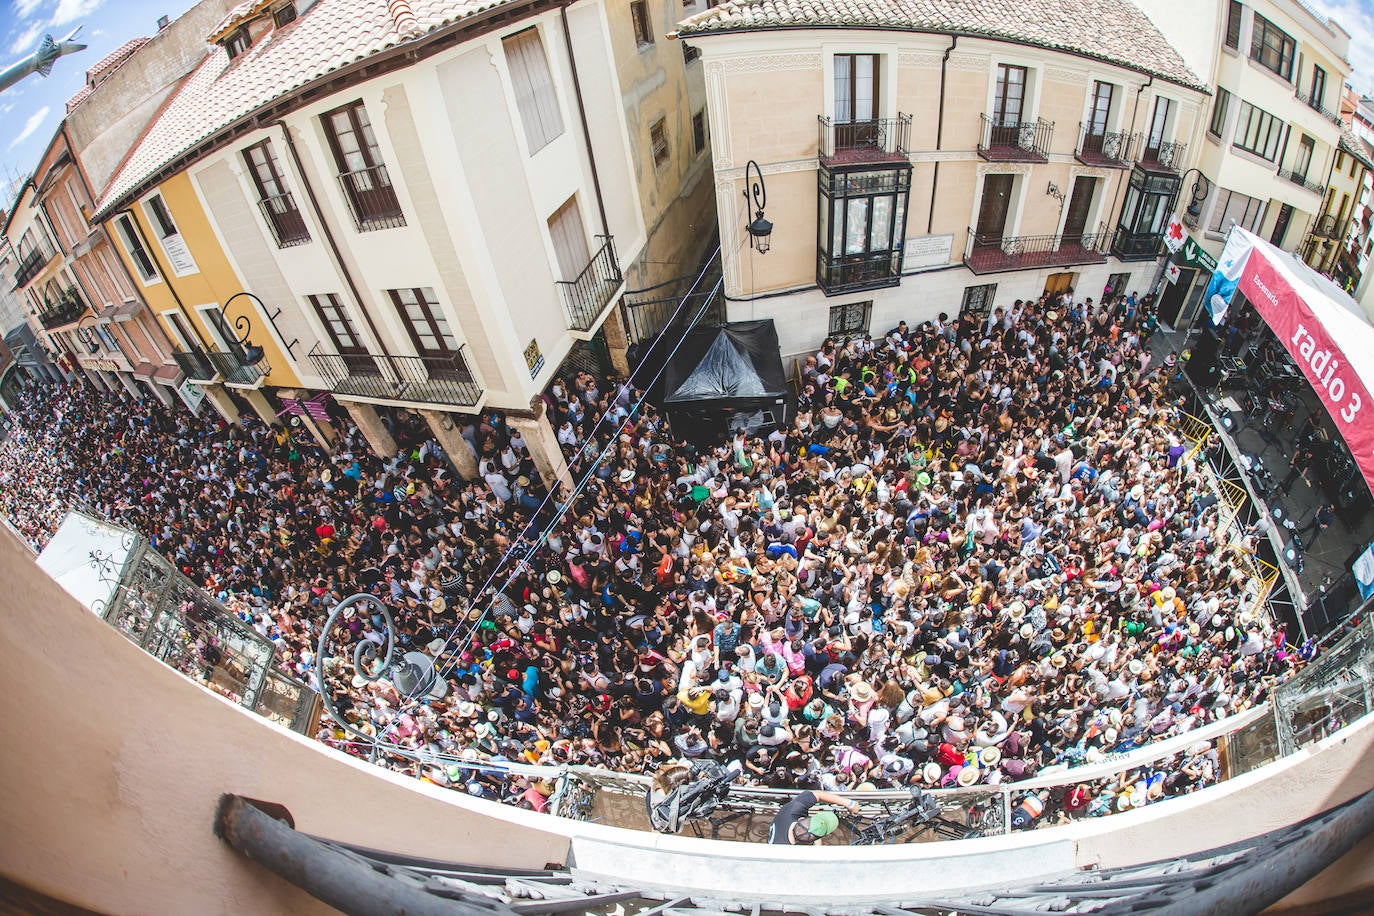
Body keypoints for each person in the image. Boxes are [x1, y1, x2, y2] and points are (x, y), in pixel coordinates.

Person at [767, 789, 860, 844]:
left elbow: (817, 794)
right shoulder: (789, 855)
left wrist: (849, 804)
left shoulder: (790, 811)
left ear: (801, 819)